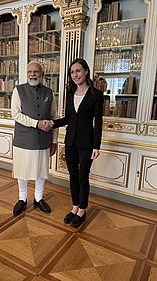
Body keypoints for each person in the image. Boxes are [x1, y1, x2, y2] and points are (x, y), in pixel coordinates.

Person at [50, 58, 103, 227]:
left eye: (78, 71)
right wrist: (52, 123)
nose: (75, 75)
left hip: (87, 143)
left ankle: (82, 210)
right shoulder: (70, 94)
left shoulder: (96, 95)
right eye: (72, 72)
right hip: (70, 141)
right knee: (72, 176)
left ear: (86, 71)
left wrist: (96, 146)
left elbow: (98, 122)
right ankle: (74, 207)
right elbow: (68, 118)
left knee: (82, 177)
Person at [11, 61, 58, 216]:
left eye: (36, 71)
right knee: (22, 171)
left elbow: (53, 118)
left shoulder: (49, 93)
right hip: (23, 140)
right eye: (30, 71)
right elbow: (16, 114)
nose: (33, 74)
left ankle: (38, 198)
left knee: (41, 170)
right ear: (27, 73)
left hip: (44, 140)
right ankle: (22, 199)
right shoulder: (18, 91)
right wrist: (36, 123)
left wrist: (55, 140)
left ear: (42, 74)